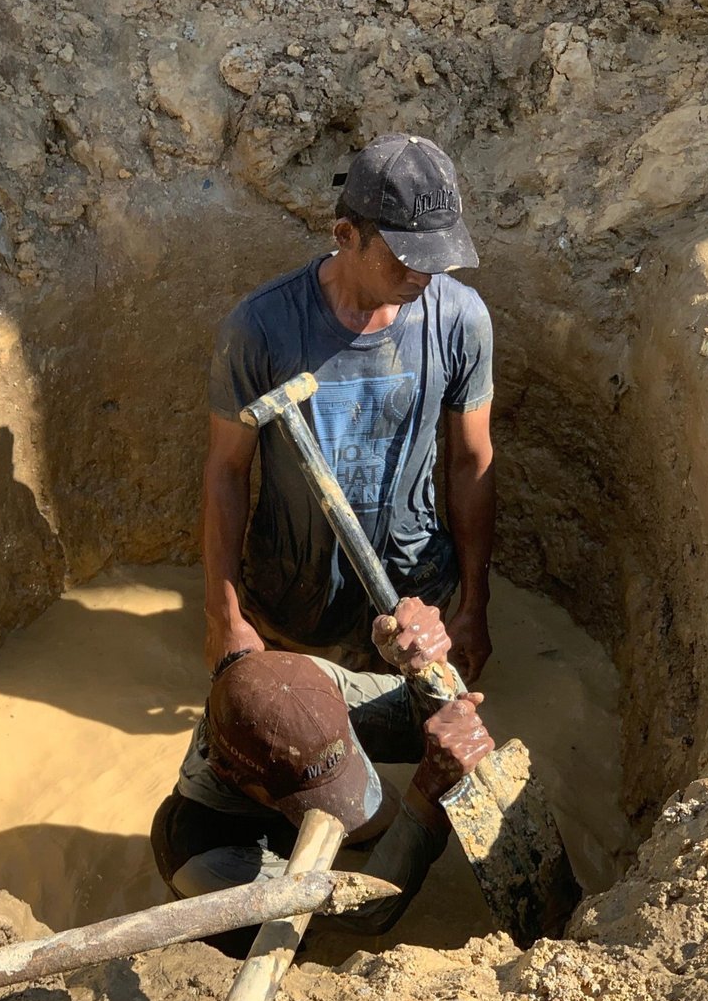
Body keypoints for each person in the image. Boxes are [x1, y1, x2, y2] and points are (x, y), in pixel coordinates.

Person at [202, 132, 496, 678]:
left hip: (413, 607)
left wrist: (473, 607)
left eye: (436, 259)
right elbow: (227, 470)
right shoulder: (262, 328)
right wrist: (224, 615)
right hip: (292, 602)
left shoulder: (460, 320)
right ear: (346, 235)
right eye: (405, 259)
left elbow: (471, 463)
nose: (422, 277)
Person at [151, 598, 493, 946]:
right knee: (296, 940)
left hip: (273, 808)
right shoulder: (205, 860)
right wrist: (427, 794)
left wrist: (429, 669)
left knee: (385, 817)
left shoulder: (305, 686)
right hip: (248, 929)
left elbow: (424, 723)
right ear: (237, 777)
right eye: (308, 793)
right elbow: (369, 911)